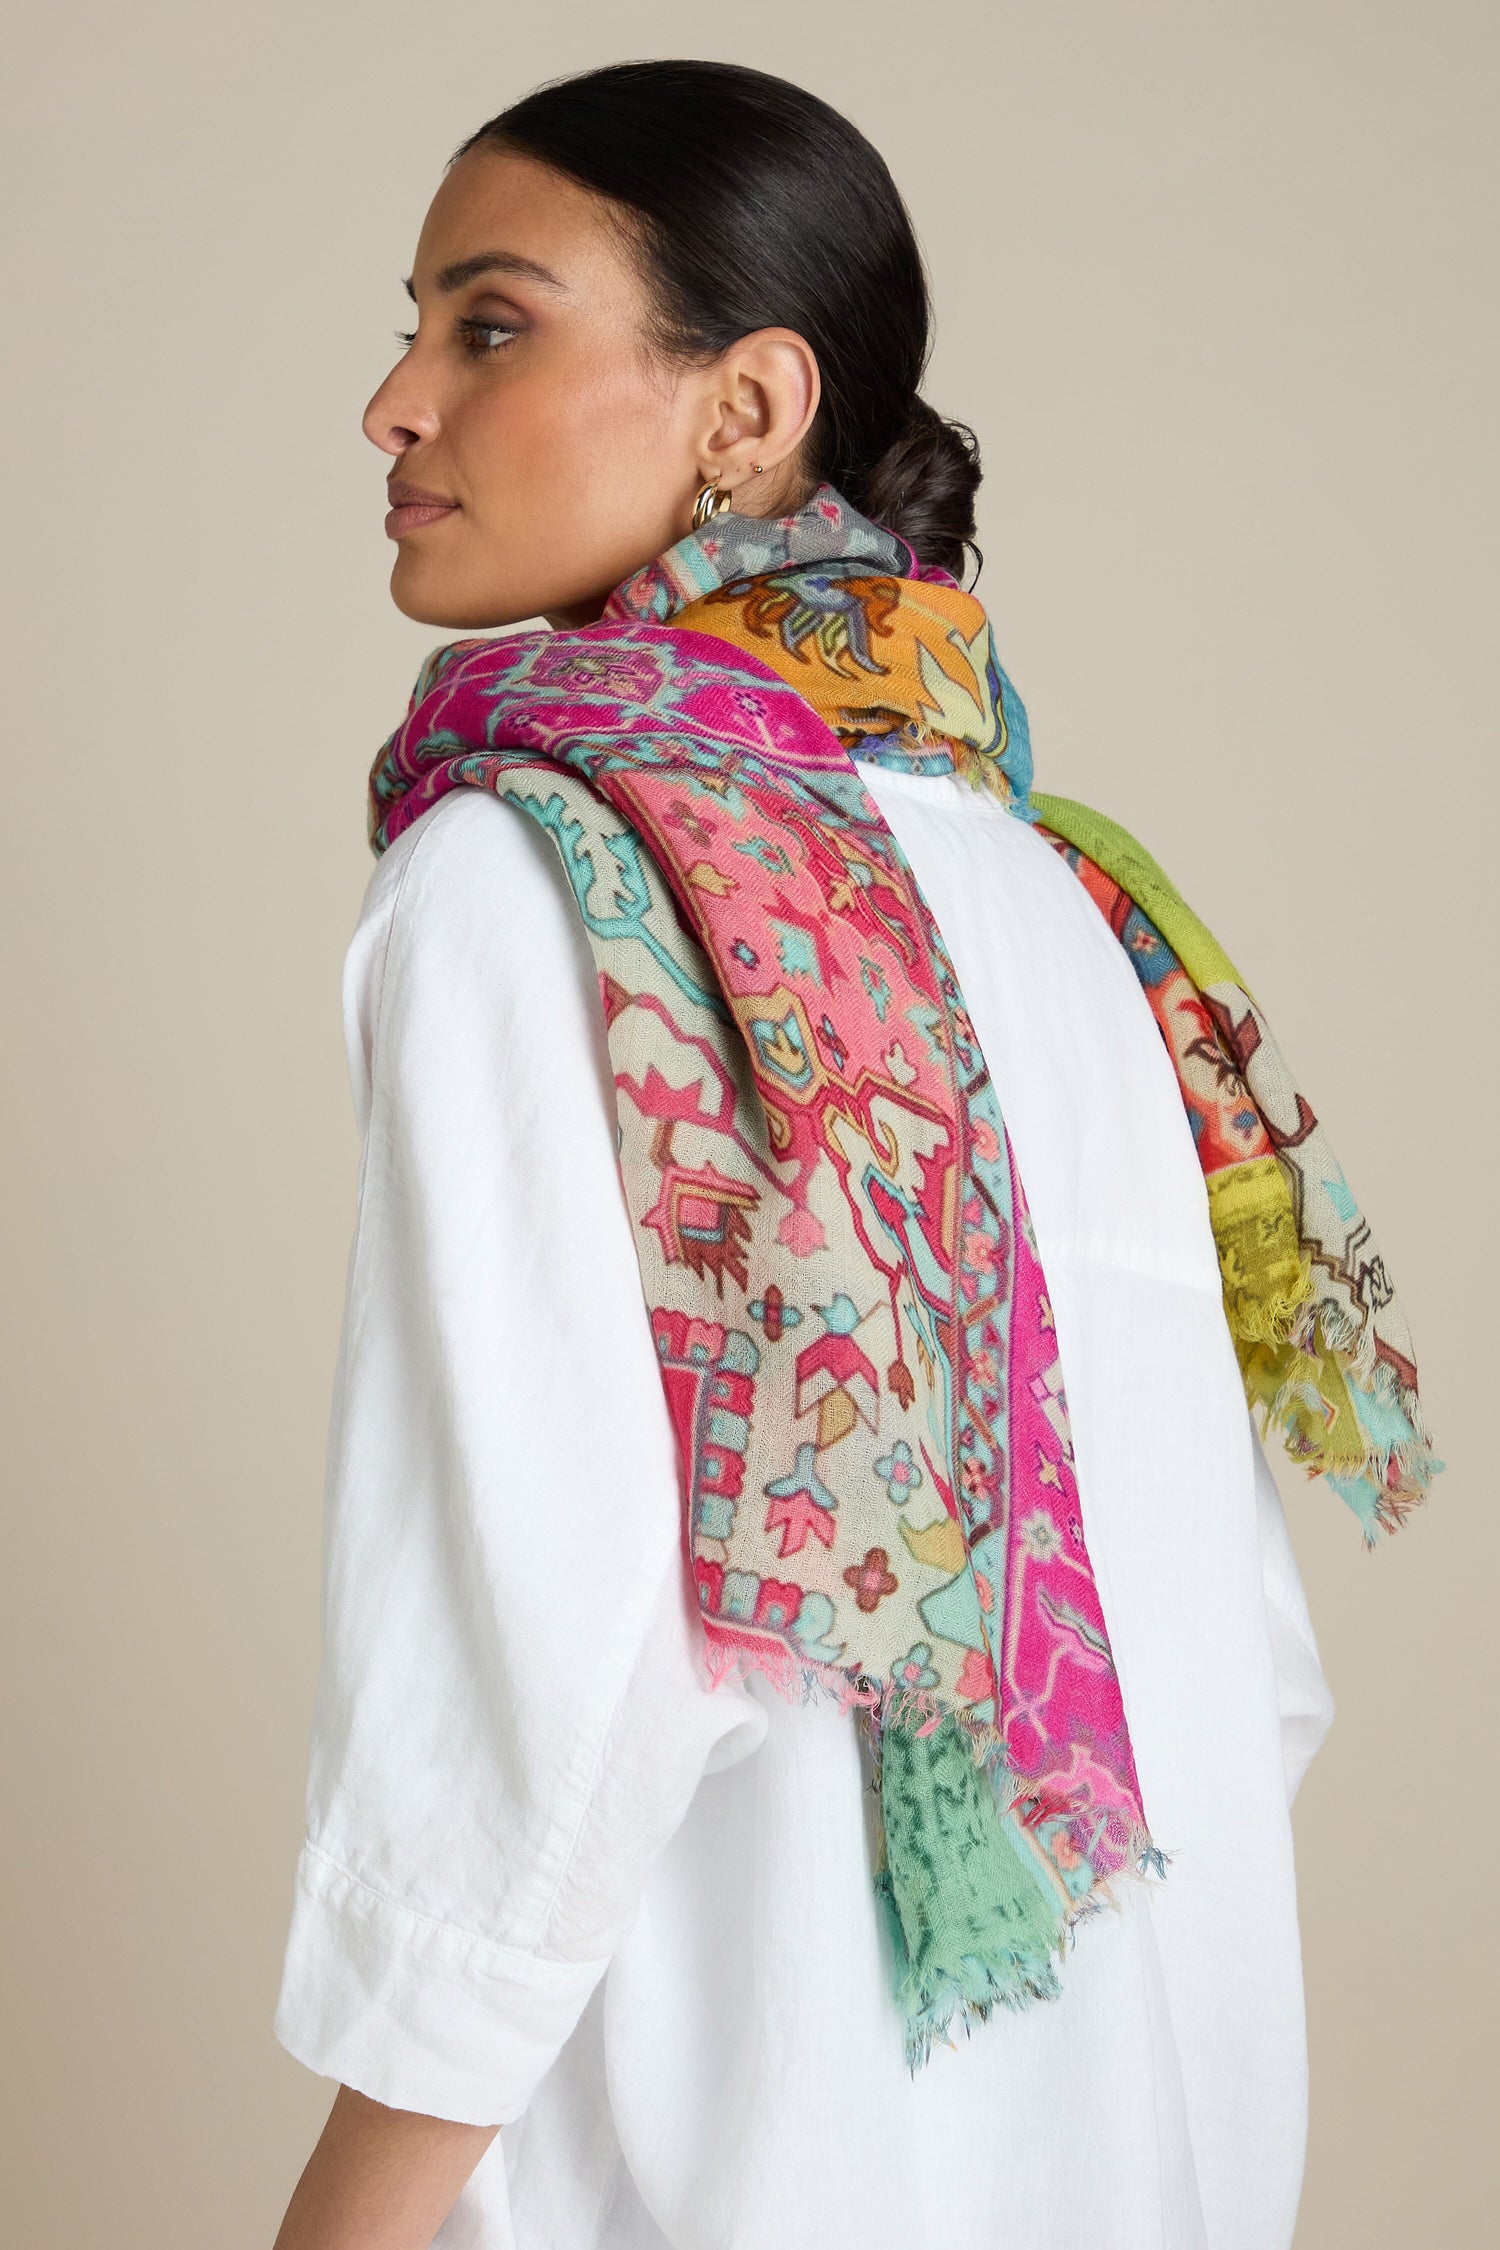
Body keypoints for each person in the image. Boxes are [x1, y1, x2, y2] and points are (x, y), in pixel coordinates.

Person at [270, 59, 1434, 2250]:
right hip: (1146, 2167)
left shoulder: (542, 873)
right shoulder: (1076, 911)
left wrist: (353, 2213)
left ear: (751, 405)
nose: (393, 403)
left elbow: (557, 1643)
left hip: (729, 2169)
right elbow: (1241, 1671)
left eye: (487, 323)